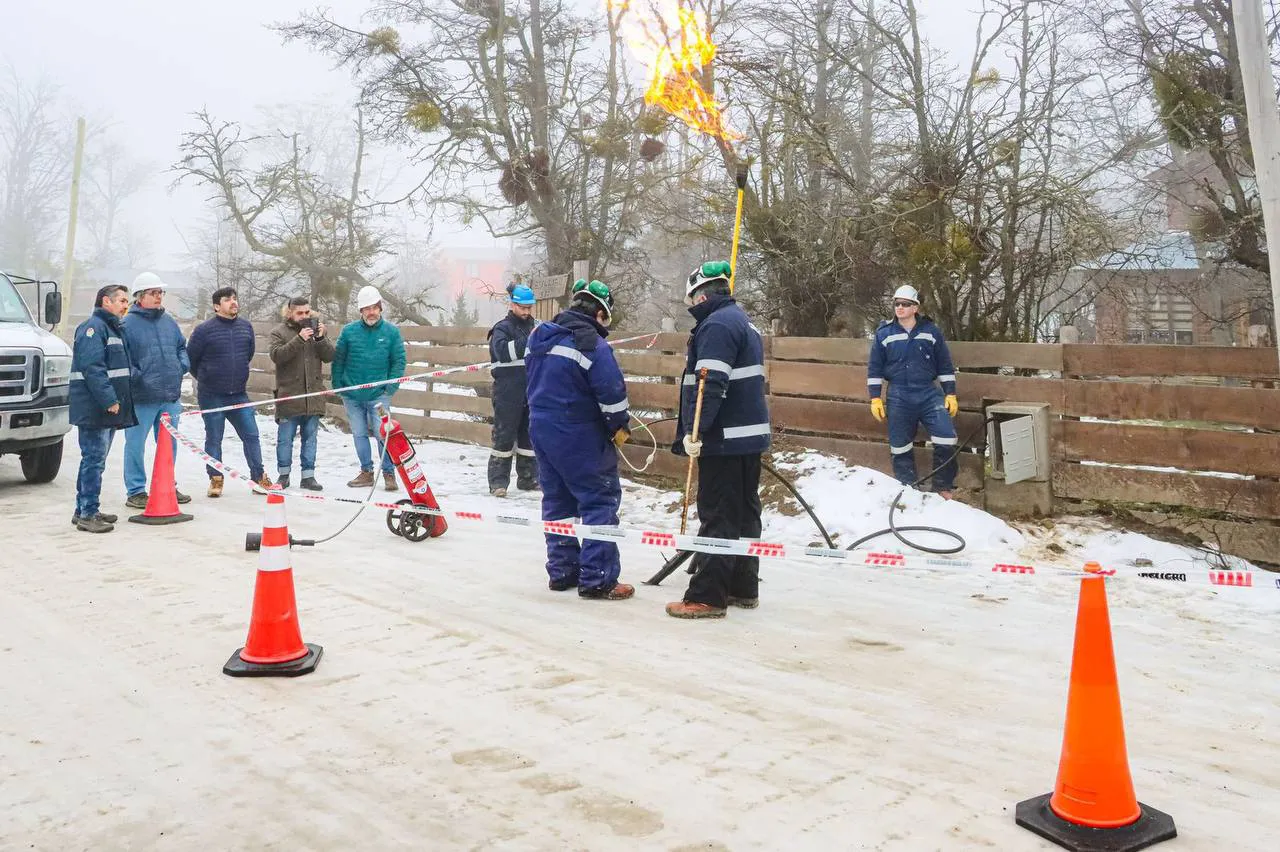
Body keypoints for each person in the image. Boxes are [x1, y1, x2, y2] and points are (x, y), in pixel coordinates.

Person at [666, 261, 771, 619]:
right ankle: (743, 586)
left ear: (701, 294)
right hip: (747, 437)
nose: (692, 306)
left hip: (723, 439)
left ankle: (707, 596)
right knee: (744, 514)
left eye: (692, 299)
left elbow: (709, 385)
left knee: (719, 515)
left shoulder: (716, 326)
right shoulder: (744, 322)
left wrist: (695, 434)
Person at [525, 279, 634, 600]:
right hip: (579, 433)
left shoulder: (540, 337)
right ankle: (597, 579)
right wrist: (620, 428)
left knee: (557, 499)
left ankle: (562, 571)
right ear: (600, 312)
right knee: (599, 499)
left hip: (540, 428)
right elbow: (612, 397)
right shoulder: (593, 346)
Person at [867, 284, 960, 499]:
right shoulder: (884, 334)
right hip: (899, 394)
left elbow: (945, 366)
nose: (899, 308)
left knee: (946, 436)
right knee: (900, 445)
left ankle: (942, 486)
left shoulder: (931, 332)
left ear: (915, 307)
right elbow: (874, 369)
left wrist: (950, 394)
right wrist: (875, 399)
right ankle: (908, 488)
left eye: (905, 304)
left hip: (928, 393)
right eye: (897, 304)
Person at [187, 287, 271, 496]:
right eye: (227, 300)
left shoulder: (245, 327)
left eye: (235, 298)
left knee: (251, 435)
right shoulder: (204, 330)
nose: (233, 302)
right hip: (212, 395)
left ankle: (258, 477)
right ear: (217, 306)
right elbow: (191, 360)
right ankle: (215, 479)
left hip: (239, 394)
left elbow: (248, 355)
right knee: (214, 438)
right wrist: (208, 378)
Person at [69, 284, 137, 532]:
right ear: (105, 302)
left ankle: (84, 509)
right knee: (94, 460)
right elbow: (93, 368)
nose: (125, 304)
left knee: (95, 460)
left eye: (126, 300)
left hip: (105, 408)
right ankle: (88, 514)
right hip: (94, 408)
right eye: (120, 300)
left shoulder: (113, 329)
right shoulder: (93, 328)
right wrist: (109, 399)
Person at [120, 272, 191, 509]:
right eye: (153, 293)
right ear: (140, 296)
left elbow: (182, 347)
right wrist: (138, 378)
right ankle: (136, 490)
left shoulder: (168, 321)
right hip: (141, 397)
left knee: (168, 445)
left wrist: (181, 366)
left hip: (169, 395)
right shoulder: (127, 324)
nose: (158, 296)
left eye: (160, 292)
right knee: (135, 445)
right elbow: (122, 359)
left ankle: (167, 485)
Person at [333, 284, 405, 491]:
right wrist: (340, 387)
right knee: (359, 433)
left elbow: (398, 361)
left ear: (380, 308)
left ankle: (389, 473)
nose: (371, 312)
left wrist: (389, 388)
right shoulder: (348, 332)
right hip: (352, 395)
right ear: (361, 311)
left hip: (379, 397)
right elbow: (339, 360)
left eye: (374, 307)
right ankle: (366, 472)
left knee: (384, 433)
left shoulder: (391, 332)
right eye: (366, 308)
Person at [269, 295, 335, 490]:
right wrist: (299, 339)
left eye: (307, 312)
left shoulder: (317, 331)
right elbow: (277, 356)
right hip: (289, 396)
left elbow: (330, 356)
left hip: (313, 396)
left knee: (310, 439)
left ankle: (308, 476)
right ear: (290, 313)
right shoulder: (278, 332)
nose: (304, 316)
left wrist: (321, 338)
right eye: (300, 313)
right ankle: (283, 475)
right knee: (285, 439)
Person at [486, 283, 538, 497]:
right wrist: (531, 340)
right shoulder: (502, 328)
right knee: (504, 437)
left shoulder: (535, 326)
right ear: (513, 304)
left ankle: (528, 479)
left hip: (531, 391)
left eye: (529, 308)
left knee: (529, 437)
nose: (526, 312)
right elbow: (502, 352)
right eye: (522, 307)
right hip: (507, 392)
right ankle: (498, 482)